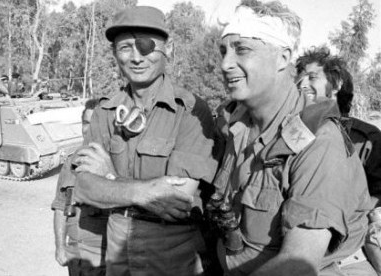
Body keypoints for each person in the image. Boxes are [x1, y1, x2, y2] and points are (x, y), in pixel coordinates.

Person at [211, 1, 375, 275]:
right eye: (223, 51)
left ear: (283, 58)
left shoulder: (319, 140)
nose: (226, 64)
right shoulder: (236, 122)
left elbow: (298, 264)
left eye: (242, 49)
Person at [64, 6, 218, 276]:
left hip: (172, 249)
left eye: (147, 47)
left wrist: (110, 178)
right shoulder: (104, 111)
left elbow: (177, 198)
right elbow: (85, 188)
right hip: (117, 246)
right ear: (114, 54)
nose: (136, 57)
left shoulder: (191, 110)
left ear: (168, 50)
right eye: (125, 48)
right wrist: (144, 192)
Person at [296, 46, 381, 273]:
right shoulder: (293, 131)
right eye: (299, 77)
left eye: (312, 77)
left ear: (336, 86)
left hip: (348, 254)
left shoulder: (367, 137)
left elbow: (378, 193)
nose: (302, 84)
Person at [52, 98, 108, 276]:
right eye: (85, 122)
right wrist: (60, 247)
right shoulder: (71, 162)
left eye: (94, 123)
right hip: (75, 253)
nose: (88, 129)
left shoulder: (115, 164)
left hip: (103, 255)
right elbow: (61, 206)